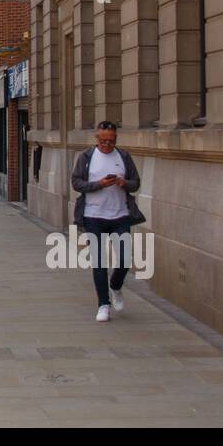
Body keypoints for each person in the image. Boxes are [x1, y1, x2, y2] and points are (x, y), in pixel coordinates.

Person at [71, 120, 144, 322]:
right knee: (99, 263)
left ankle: (116, 287)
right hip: (93, 216)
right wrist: (99, 184)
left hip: (120, 216)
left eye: (111, 141)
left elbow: (135, 183)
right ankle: (103, 304)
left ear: (116, 139)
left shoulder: (123, 157)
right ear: (97, 138)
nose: (107, 145)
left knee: (124, 259)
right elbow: (76, 182)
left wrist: (124, 182)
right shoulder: (86, 157)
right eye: (103, 141)